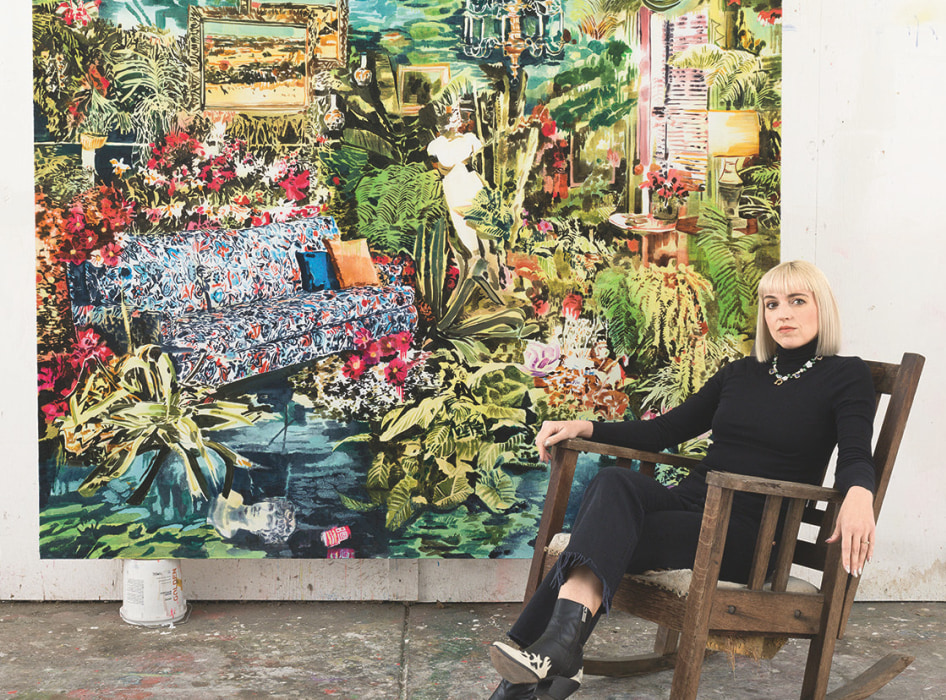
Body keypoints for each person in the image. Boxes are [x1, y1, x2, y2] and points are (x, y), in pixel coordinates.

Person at [487, 260, 877, 699]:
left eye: (796, 301)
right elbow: (663, 431)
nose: (782, 314)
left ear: (821, 308)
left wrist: (860, 492)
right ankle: (559, 651)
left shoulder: (846, 376)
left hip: (746, 535)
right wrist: (585, 426)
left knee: (604, 533)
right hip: (691, 506)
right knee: (614, 487)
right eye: (772, 304)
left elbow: (856, 454)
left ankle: (535, 662)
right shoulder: (740, 374)